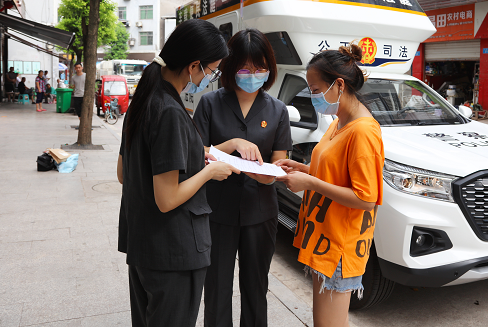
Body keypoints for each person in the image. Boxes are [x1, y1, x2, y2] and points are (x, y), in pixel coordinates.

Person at [117, 19, 238, 327]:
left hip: (145, 246)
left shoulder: (144, 99)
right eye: (211, 71)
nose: (210, 78)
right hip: (173, 250)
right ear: (193, 65)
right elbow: (167, 198)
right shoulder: (170, 111)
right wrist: (210, 173)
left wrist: (199, 153)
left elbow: (124, 172)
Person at [274, 44, 384, 327]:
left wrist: (310, 181)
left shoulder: (363, 131)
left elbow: (365, 198)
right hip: (325, 240)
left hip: (340, 245)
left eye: (314, 89)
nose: (312, 96)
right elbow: (336, 173)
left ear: (338, 84)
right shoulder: (339, 122)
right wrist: (304, 169)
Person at [194, 29, 292, 327]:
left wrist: (269, 176)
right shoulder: (210, 104)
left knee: (255, 289)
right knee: (217, 290)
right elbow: (194, 152)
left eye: (260, 68)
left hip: (260, 212)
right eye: (245, 68)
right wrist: (232, 144)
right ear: (230, 66)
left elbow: (278, 163)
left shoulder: (277, 110)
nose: (253, 74)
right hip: (216, 212)